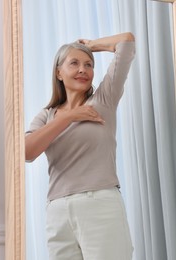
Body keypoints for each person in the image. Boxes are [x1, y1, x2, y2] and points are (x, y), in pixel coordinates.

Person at [25, 32, 135, 260]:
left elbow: (127, 42)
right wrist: (68, 117)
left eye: (88, 64)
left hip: (99, 204)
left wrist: (92, 46)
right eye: (74, 63)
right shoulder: (47, 115)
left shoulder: (104, 100)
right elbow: (26, 152)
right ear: (58, 72)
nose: (83, 69)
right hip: (57, 210)